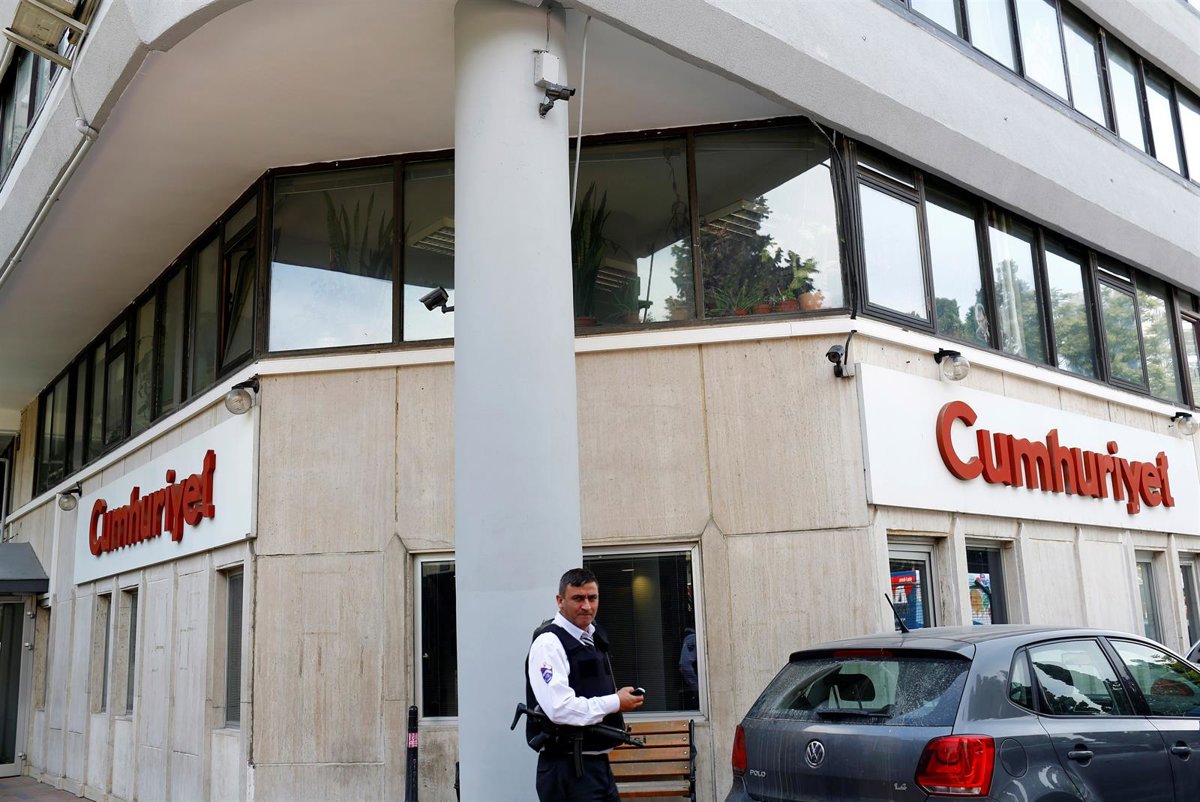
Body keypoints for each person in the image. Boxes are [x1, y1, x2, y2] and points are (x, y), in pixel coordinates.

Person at [524, 567, 644, 802]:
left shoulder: (593, 637)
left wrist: (617, 699)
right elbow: (559, 708)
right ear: (560, 601)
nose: (587, 606)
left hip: (597, 765)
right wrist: (615, 702)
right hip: (567, 769)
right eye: (578, 598)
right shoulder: (549, 644)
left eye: (592, 598)